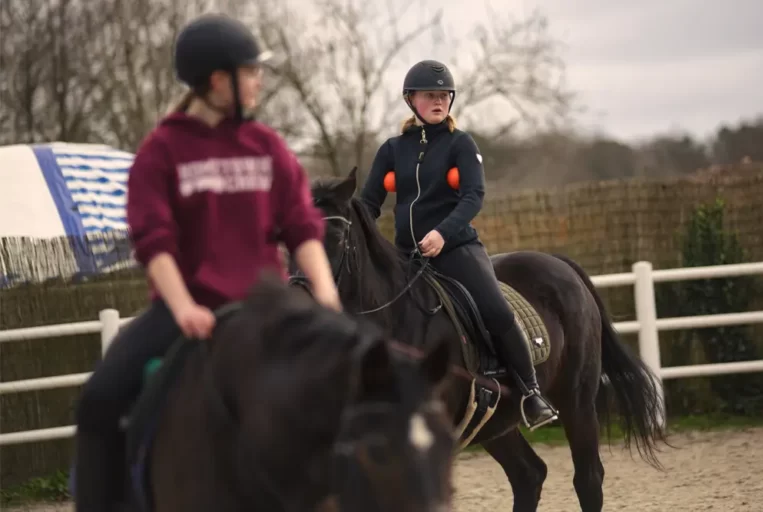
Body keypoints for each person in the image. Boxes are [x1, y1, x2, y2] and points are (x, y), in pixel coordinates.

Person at [72, 13, 341, 511]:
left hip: (268, 310)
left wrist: (325, 296)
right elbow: (155, 243)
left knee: (357, 377)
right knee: (99, 401)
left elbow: (302, 227)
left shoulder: (267, 146)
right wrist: (181, 307)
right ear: (218, 81)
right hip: (188, 312)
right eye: (250, 71)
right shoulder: (161, 152)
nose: (259, 80)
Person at [359, 59, 557, 431]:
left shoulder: (460, 144)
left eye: (444, 95)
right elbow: (369, 204)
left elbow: (473, 197)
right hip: (408, 258)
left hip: (455, 250)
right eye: (430, 95)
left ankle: (531, 393)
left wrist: (442, 234)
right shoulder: (391, 150)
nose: (438, 101)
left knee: (495, 310)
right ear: (411, 100)